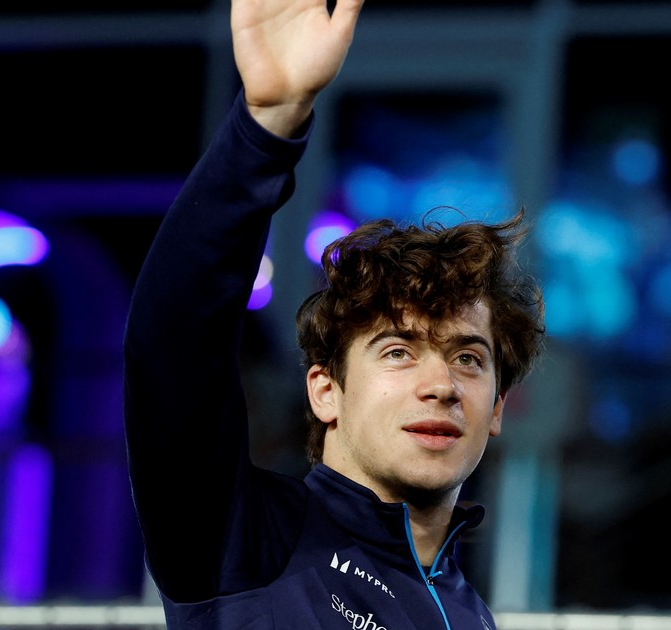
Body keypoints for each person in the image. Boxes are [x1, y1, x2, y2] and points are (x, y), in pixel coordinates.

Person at [123, 0, 545, 627]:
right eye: (398, 351)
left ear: (499, 407)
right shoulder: (248, 539)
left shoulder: (471, 615)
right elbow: (173, 341)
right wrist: (264, 130)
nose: (441, 385)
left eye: (468, 358)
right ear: (326, 390)